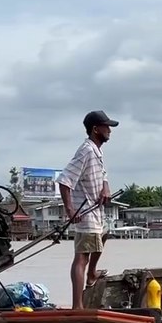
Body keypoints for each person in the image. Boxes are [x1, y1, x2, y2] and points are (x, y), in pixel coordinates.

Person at [57, 110, 117, 308]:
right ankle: (77, 305)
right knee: (81, 256)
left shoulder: (97, 151)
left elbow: (103, 173)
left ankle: (92, 273)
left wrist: (105, 187)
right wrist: (70, 209)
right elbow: (65, 181)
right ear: (95, 129)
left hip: (96, 210)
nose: (109, 130)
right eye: (106, 127)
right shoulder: (86, 150)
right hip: (85, 212)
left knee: (106, 234)